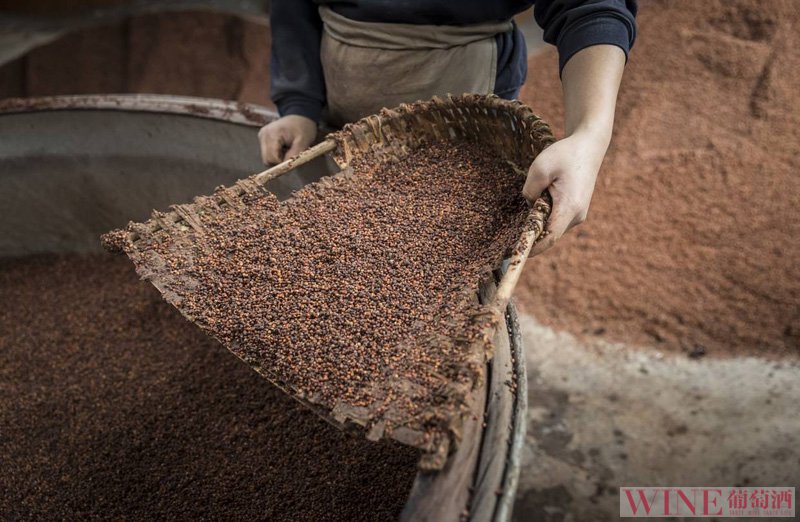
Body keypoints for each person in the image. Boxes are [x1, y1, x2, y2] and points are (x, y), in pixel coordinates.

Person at [259, 0, 637, 255]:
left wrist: (589, 134)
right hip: (342, 109)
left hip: (472, 109)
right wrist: (299, 104)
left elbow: (589, 6)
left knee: (451, 251)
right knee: (336, 243)